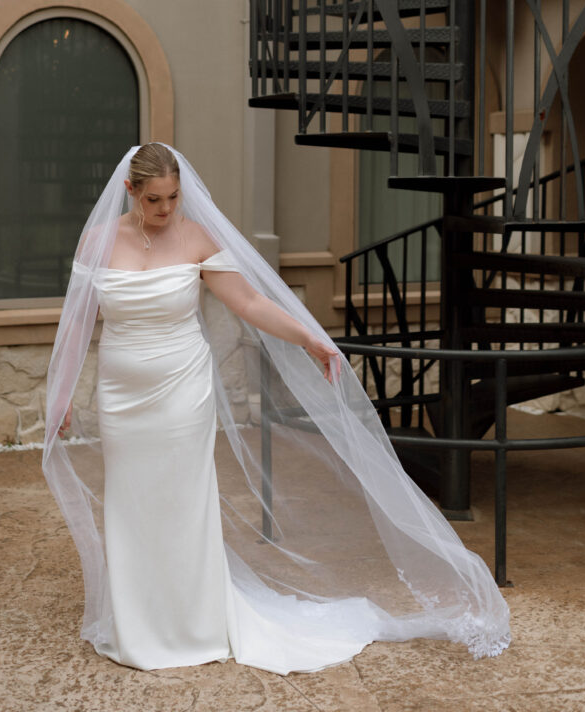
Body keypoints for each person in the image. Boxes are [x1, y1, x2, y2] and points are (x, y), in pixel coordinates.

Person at [43, 142, 510, 674]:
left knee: (182, 499)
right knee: (130, 501)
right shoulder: (99, 242)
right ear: (130, 191)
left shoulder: (196, 237)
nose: (167, 210)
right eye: (154, 200)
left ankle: (193, 623)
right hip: (121, 393)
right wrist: (59, 396)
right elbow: (78, 324)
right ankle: (137, 624)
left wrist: (311, 337)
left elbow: (249, 302)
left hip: (181, 391)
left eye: (173, 197)